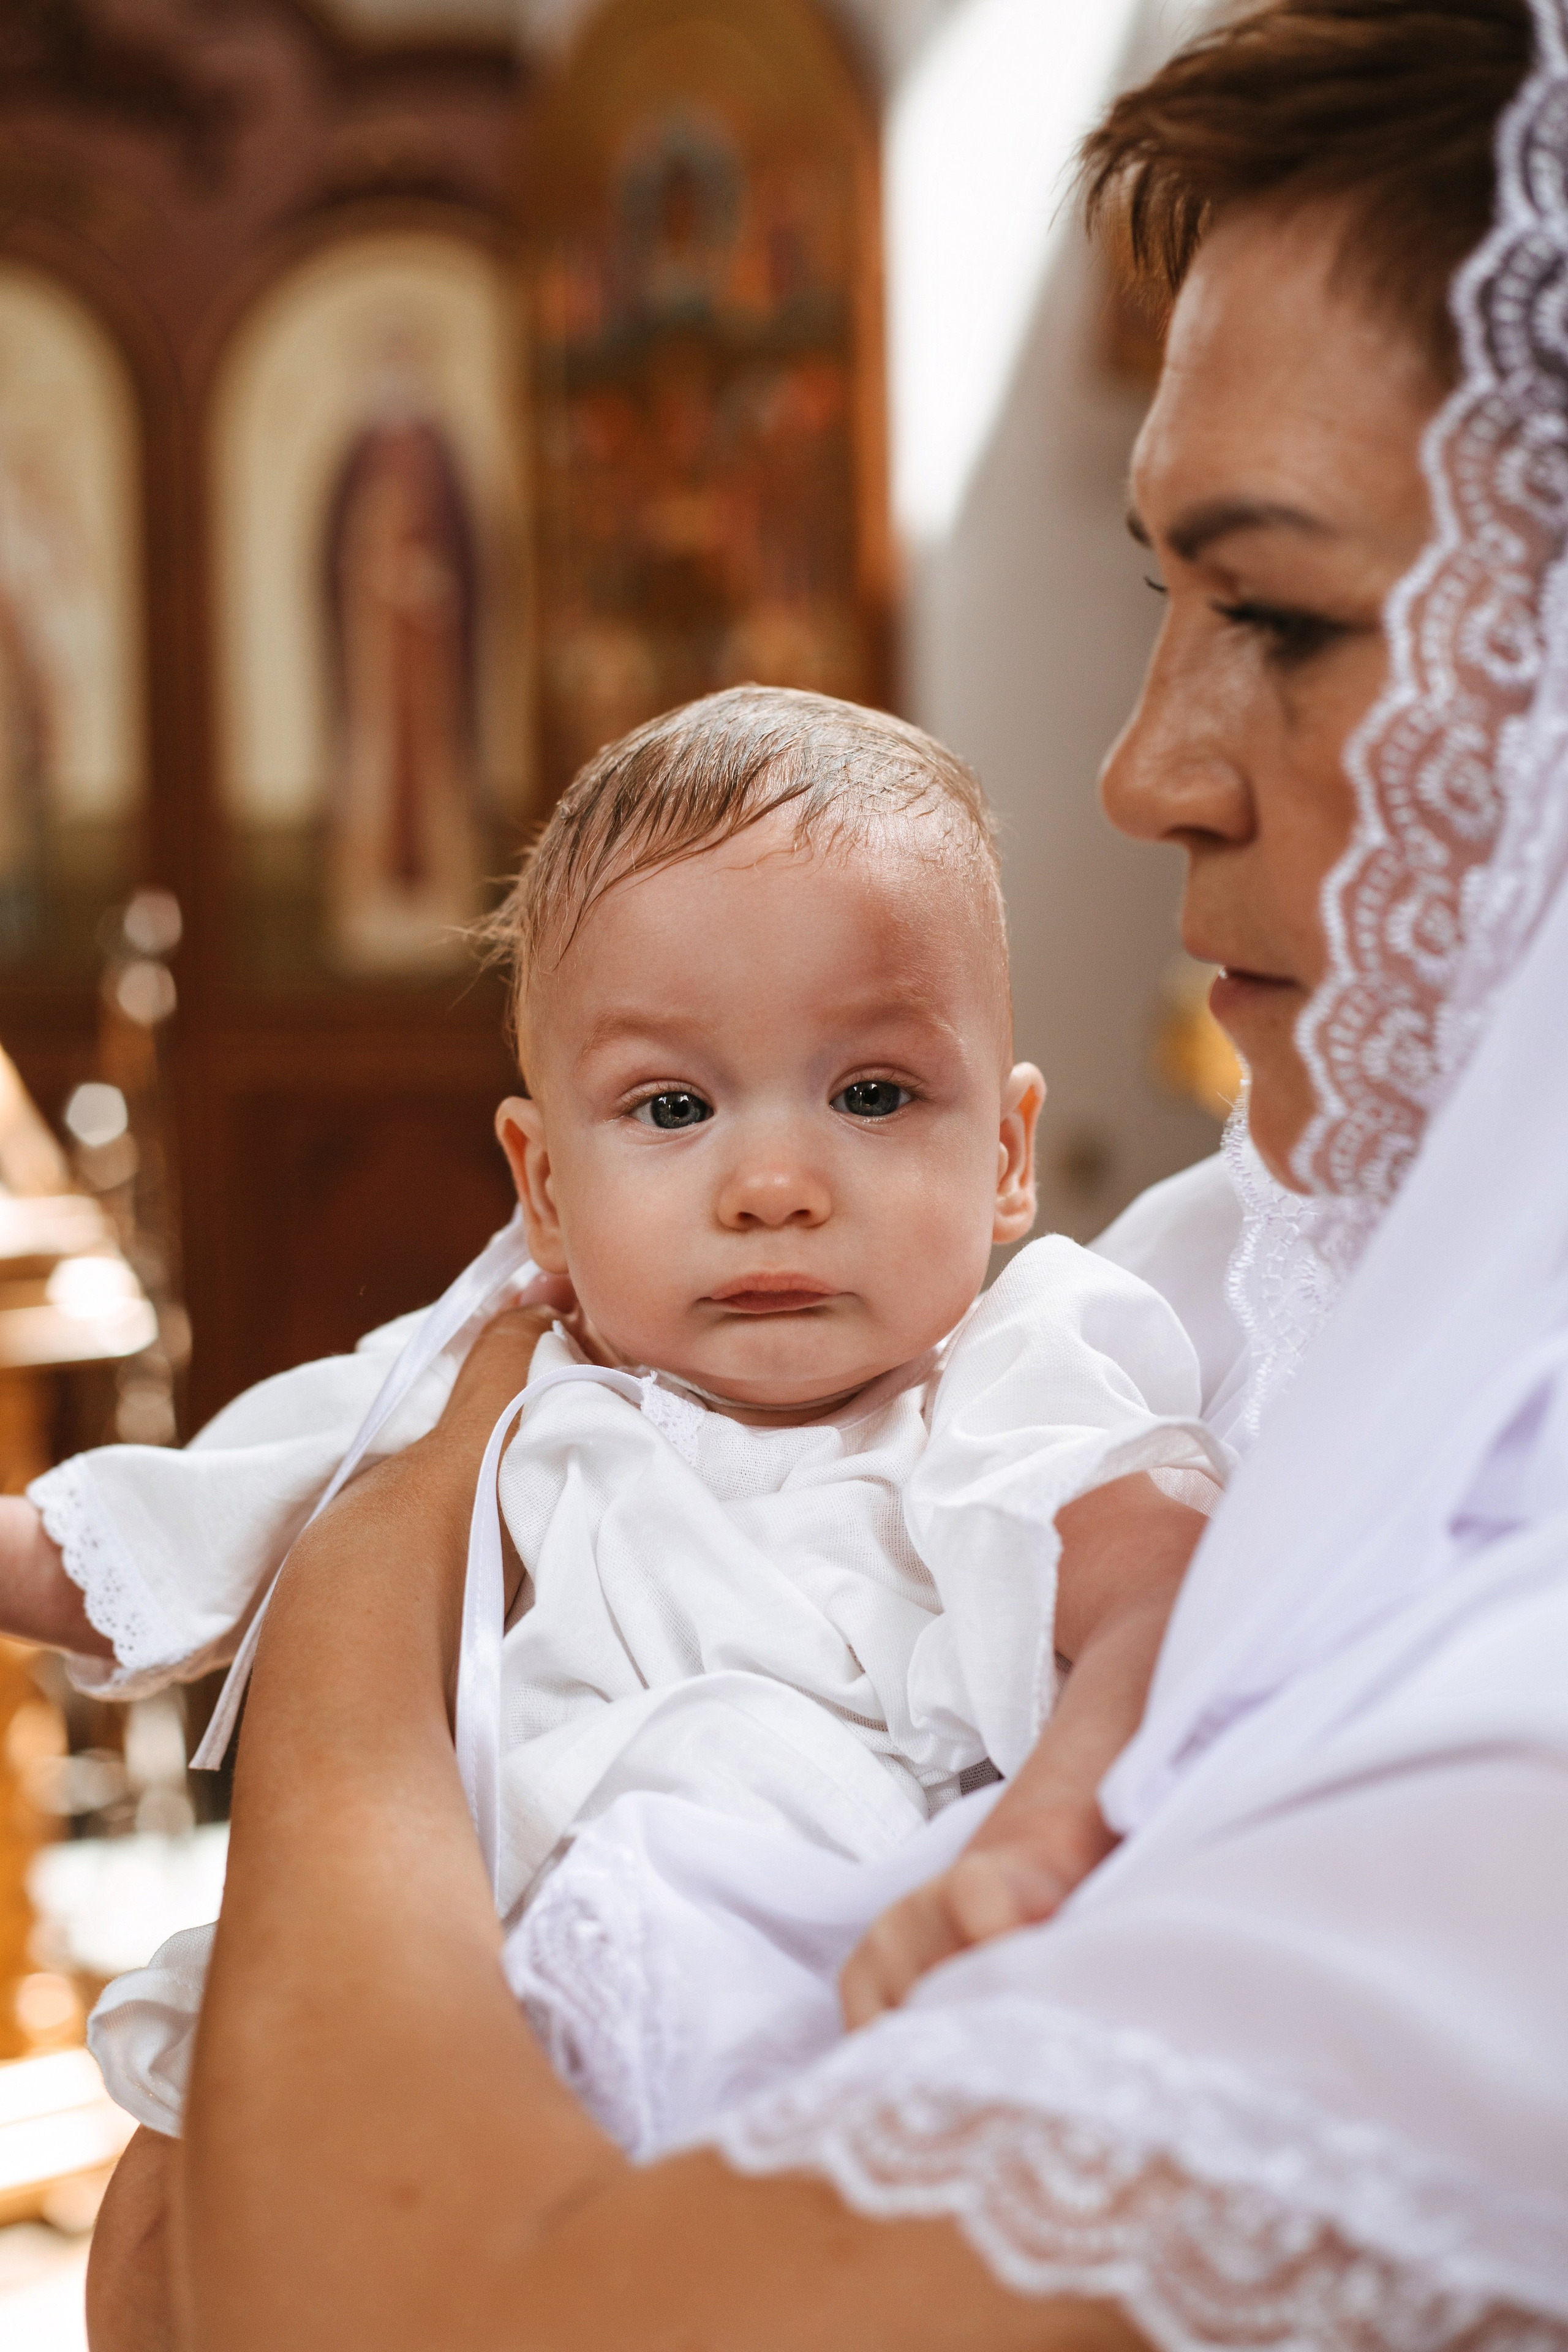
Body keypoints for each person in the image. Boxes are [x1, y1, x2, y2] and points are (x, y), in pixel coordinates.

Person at [92, 0, 1568, 2343]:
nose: (1141, 769)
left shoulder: (1505, 1715)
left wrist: (380, 1579)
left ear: (991, 1153)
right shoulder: (1258, 1260)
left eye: (1278, 612)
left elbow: (401, 2305)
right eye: (1154, 600)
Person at [4, 687, 1223, 2143]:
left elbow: (1164, 1609)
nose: (772, 1181)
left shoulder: (1003, 1383)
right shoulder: (481, 1383)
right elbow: (161, 1540)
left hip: (839, 2007)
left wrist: (1041, 1837)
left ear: (1009, 1153)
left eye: (875, 1091)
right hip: (480, 2023)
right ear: (542, 1189)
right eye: (669, 1110)